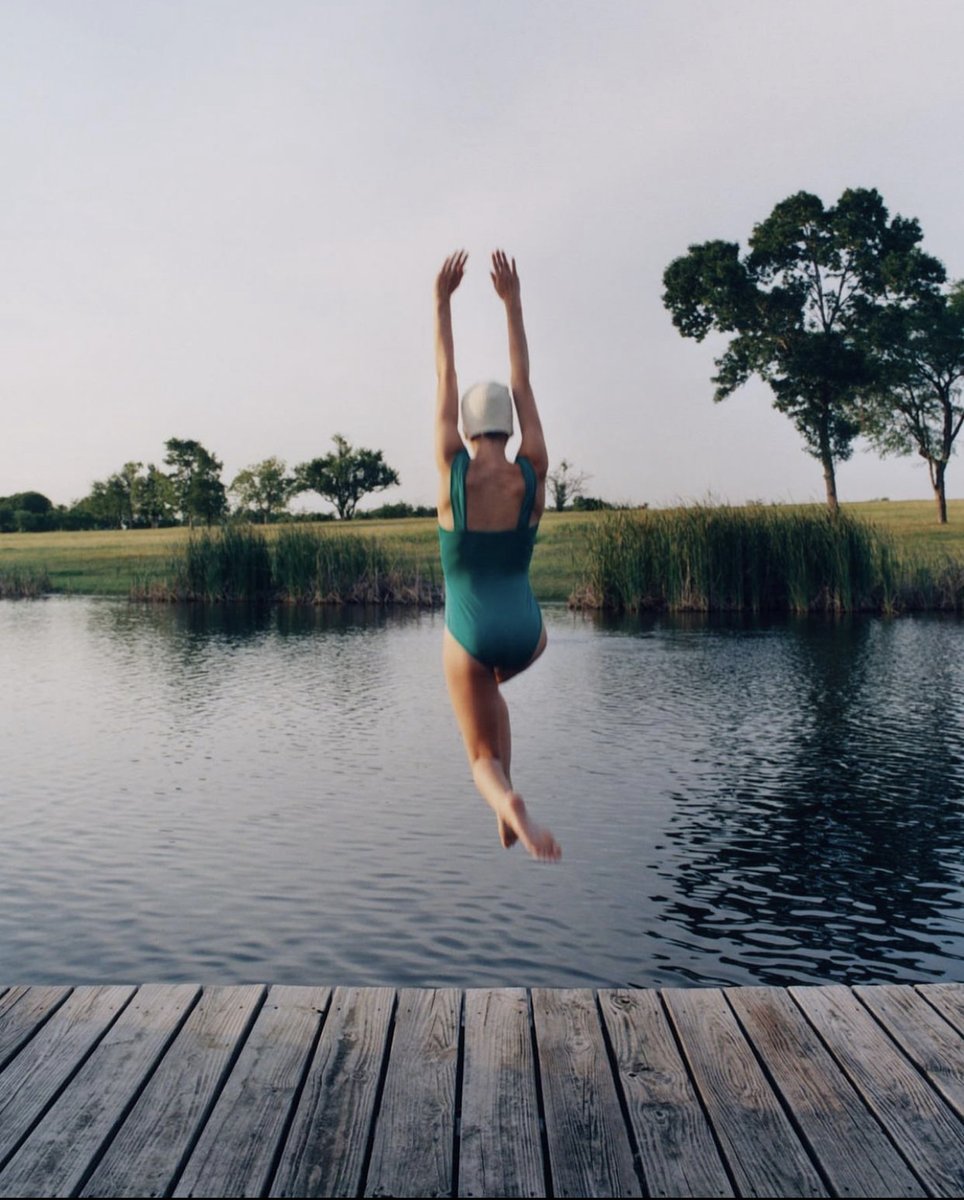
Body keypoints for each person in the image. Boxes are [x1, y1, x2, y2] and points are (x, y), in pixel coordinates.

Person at [434, 249, 562, 862]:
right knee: (491, 697)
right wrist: (513, 304)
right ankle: (506, 811)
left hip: (472, 632)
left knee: (480, 756)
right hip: (529, 633)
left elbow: (445, 377)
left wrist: (442, 302)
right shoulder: (532, 471)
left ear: (464, 429)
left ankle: (505, 800)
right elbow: (523, 381)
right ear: (509, 427)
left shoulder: (452, 471)